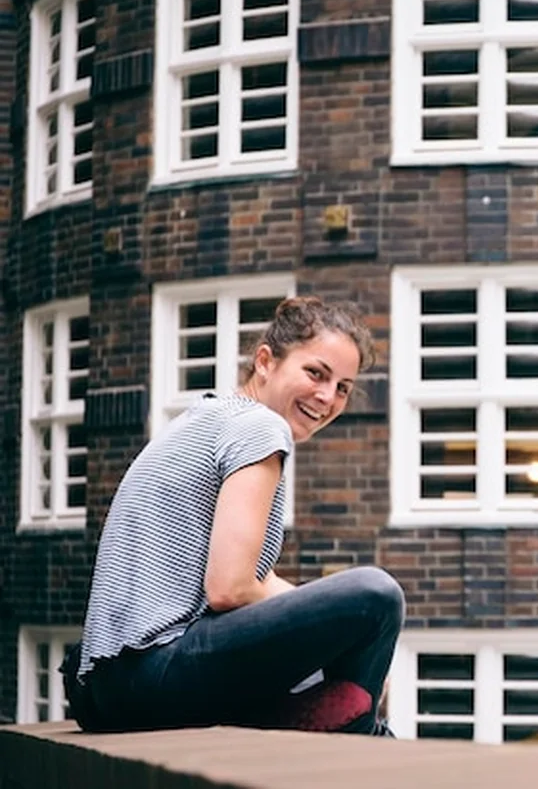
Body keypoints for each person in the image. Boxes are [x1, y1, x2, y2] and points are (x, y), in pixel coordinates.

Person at [61, 296, 405, 737]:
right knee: (375, 596)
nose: (327, 397)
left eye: (342, 387)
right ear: (265, 361)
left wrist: (330, 633)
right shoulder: (261, 427)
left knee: (338, 653)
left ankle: (328, 726)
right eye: (316, 373)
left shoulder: (208, 416)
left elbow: (255, 582)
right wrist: (352, 638)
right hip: (151, 673)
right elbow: (230, 588)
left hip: (102, 690)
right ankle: (360, 739)